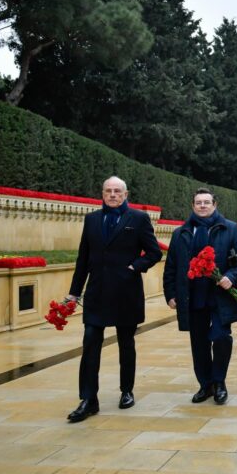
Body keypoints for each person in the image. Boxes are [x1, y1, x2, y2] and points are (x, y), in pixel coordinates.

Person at [65, 176, 162, 423]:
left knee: (126, 343)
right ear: (102, 193)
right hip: (96, 293)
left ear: (125, 194)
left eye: (117, 191)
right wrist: (74, 292)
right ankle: (88, 399)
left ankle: (126, 390)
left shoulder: (138, 219)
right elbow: (83, 259)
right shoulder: (92, 220)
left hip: (125, 292)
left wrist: (134, 267)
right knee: (90, 344)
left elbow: (154, 253)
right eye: (108, 191)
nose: (112, 195)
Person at [163, 188, 237, 406]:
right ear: (193, 206)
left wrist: (231, 276)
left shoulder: (229, 228)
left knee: (221, 338)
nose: (202, 206)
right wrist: (171, 294)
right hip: (193, 297)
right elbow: (171, 265)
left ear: (214, 204)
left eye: (206, 202)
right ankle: (205, 384)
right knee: (198, 343)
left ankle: (220, 382)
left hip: (220, 296)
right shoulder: (181, 233)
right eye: (198, 202)